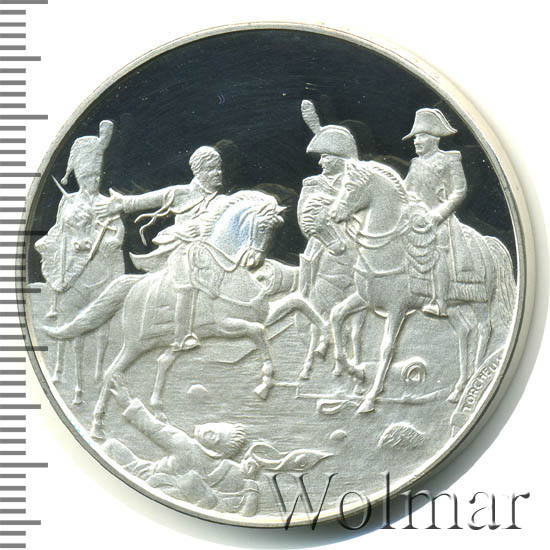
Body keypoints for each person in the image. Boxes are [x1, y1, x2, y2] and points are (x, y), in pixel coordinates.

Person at [95, 146, 224, 351]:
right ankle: (182, 336)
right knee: (186, 282)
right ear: (198, 172)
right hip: (183, 250)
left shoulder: (221, 201)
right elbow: (145, 200)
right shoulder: (182, 193)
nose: (218, 172)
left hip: (210, 253)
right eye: (211, 168)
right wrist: (121, 204)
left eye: (219, 167)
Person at [104, 378, 260, 516]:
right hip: (175, 503)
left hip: (145, 476)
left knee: (111, 446)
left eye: (213, 427)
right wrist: (250, 479)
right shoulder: (231, 469)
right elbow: (246, 512)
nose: (204, 424)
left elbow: (153, 428)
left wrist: (126, 402)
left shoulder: (185, 445)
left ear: (212, 438)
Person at [402, 108, 469, 316]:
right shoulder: (415, 164)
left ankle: (440, 303)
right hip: (416, 218)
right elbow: (405, 190)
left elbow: (459, 191)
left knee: (438, 251)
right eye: (415, 138)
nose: (416, 141)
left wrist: (438, 214)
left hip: (440, 219)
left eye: (421, 136)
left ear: (434, 138)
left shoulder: (450, 160)